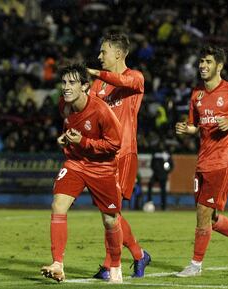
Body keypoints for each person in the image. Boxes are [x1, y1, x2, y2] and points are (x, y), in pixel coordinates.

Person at [175, 45, 228, 277]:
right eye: (201, 61)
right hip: (203, 161)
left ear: (219, 66)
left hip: (223, 162)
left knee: (202, 213)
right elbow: (196, 125)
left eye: (208, 62)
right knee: (210, 217)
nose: (203, 66)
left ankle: (195, 265)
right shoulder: (197, 94)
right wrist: (187, 128)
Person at [40, 64, 124, 283]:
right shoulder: (64, 106)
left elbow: (115, 144)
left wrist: (84, 142)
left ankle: (115, 264)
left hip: (102, 168)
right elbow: (70, 129)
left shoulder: (101, 110)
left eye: (72, 83)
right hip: (76, 163)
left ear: (85, 86)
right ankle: (58, 264)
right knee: (58, 205)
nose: (66, 87)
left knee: (110, 220)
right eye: (64, 82)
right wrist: (64, 139)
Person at [87, 33, 151, 279]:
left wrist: (94, 74)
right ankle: (138, 254)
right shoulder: (98, 86)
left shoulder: (135, 77)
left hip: (124, 152)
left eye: (103, 52)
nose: (99, 56)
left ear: (118, 54)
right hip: (101, 155)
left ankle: (110, 265)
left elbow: (124, 82)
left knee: (110, 213)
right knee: (110, 212)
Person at [146, 141, 174, 210]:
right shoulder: (156, 153)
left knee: (163, 191)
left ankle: (163, 206)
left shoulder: (167, 154)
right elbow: (152, 164)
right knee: (150, 185)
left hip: (163, 175)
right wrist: (156, 170)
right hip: (156, 174)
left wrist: (167, 172)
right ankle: (149, 202)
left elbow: (171, 165)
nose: (161, 146)